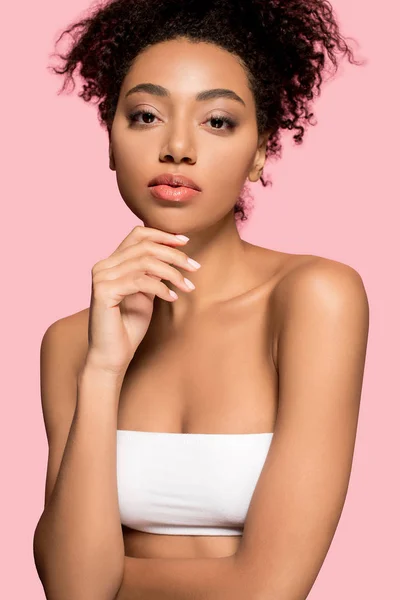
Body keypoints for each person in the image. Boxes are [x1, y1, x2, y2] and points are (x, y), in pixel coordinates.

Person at [33, 1, 369, 599]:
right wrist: (103, 370)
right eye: (145, 116)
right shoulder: (71, 342)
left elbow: (270, 589)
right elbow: (70, 589)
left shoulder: (316, 300)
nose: (178, 147)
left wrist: (116, 577)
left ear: (261, 149)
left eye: (217, 121)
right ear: (110, 141)